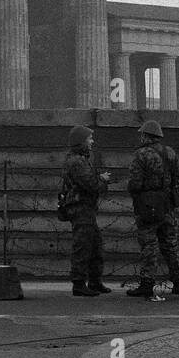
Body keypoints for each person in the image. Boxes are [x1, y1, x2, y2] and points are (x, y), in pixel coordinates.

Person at [125, 119, 179, 298]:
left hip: (148, 205)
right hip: (167, 205)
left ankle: (147, 283)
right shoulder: (170, 153)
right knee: (170, 244)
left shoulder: (141, 155)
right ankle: (178, 282)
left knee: (149, 245)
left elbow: (135, 183)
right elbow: (177, 180)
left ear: (146, 136)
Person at [60, 125, 111, 297]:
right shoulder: (77, 162)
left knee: (95, 245)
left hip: (85, 208)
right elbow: (91, 185)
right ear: (81, 141)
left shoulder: (81, 159)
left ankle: (95, 282)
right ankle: (79, 284)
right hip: (80, 208)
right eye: (89, 138)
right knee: (82, 246)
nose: (92, 141)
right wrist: (102, 180)